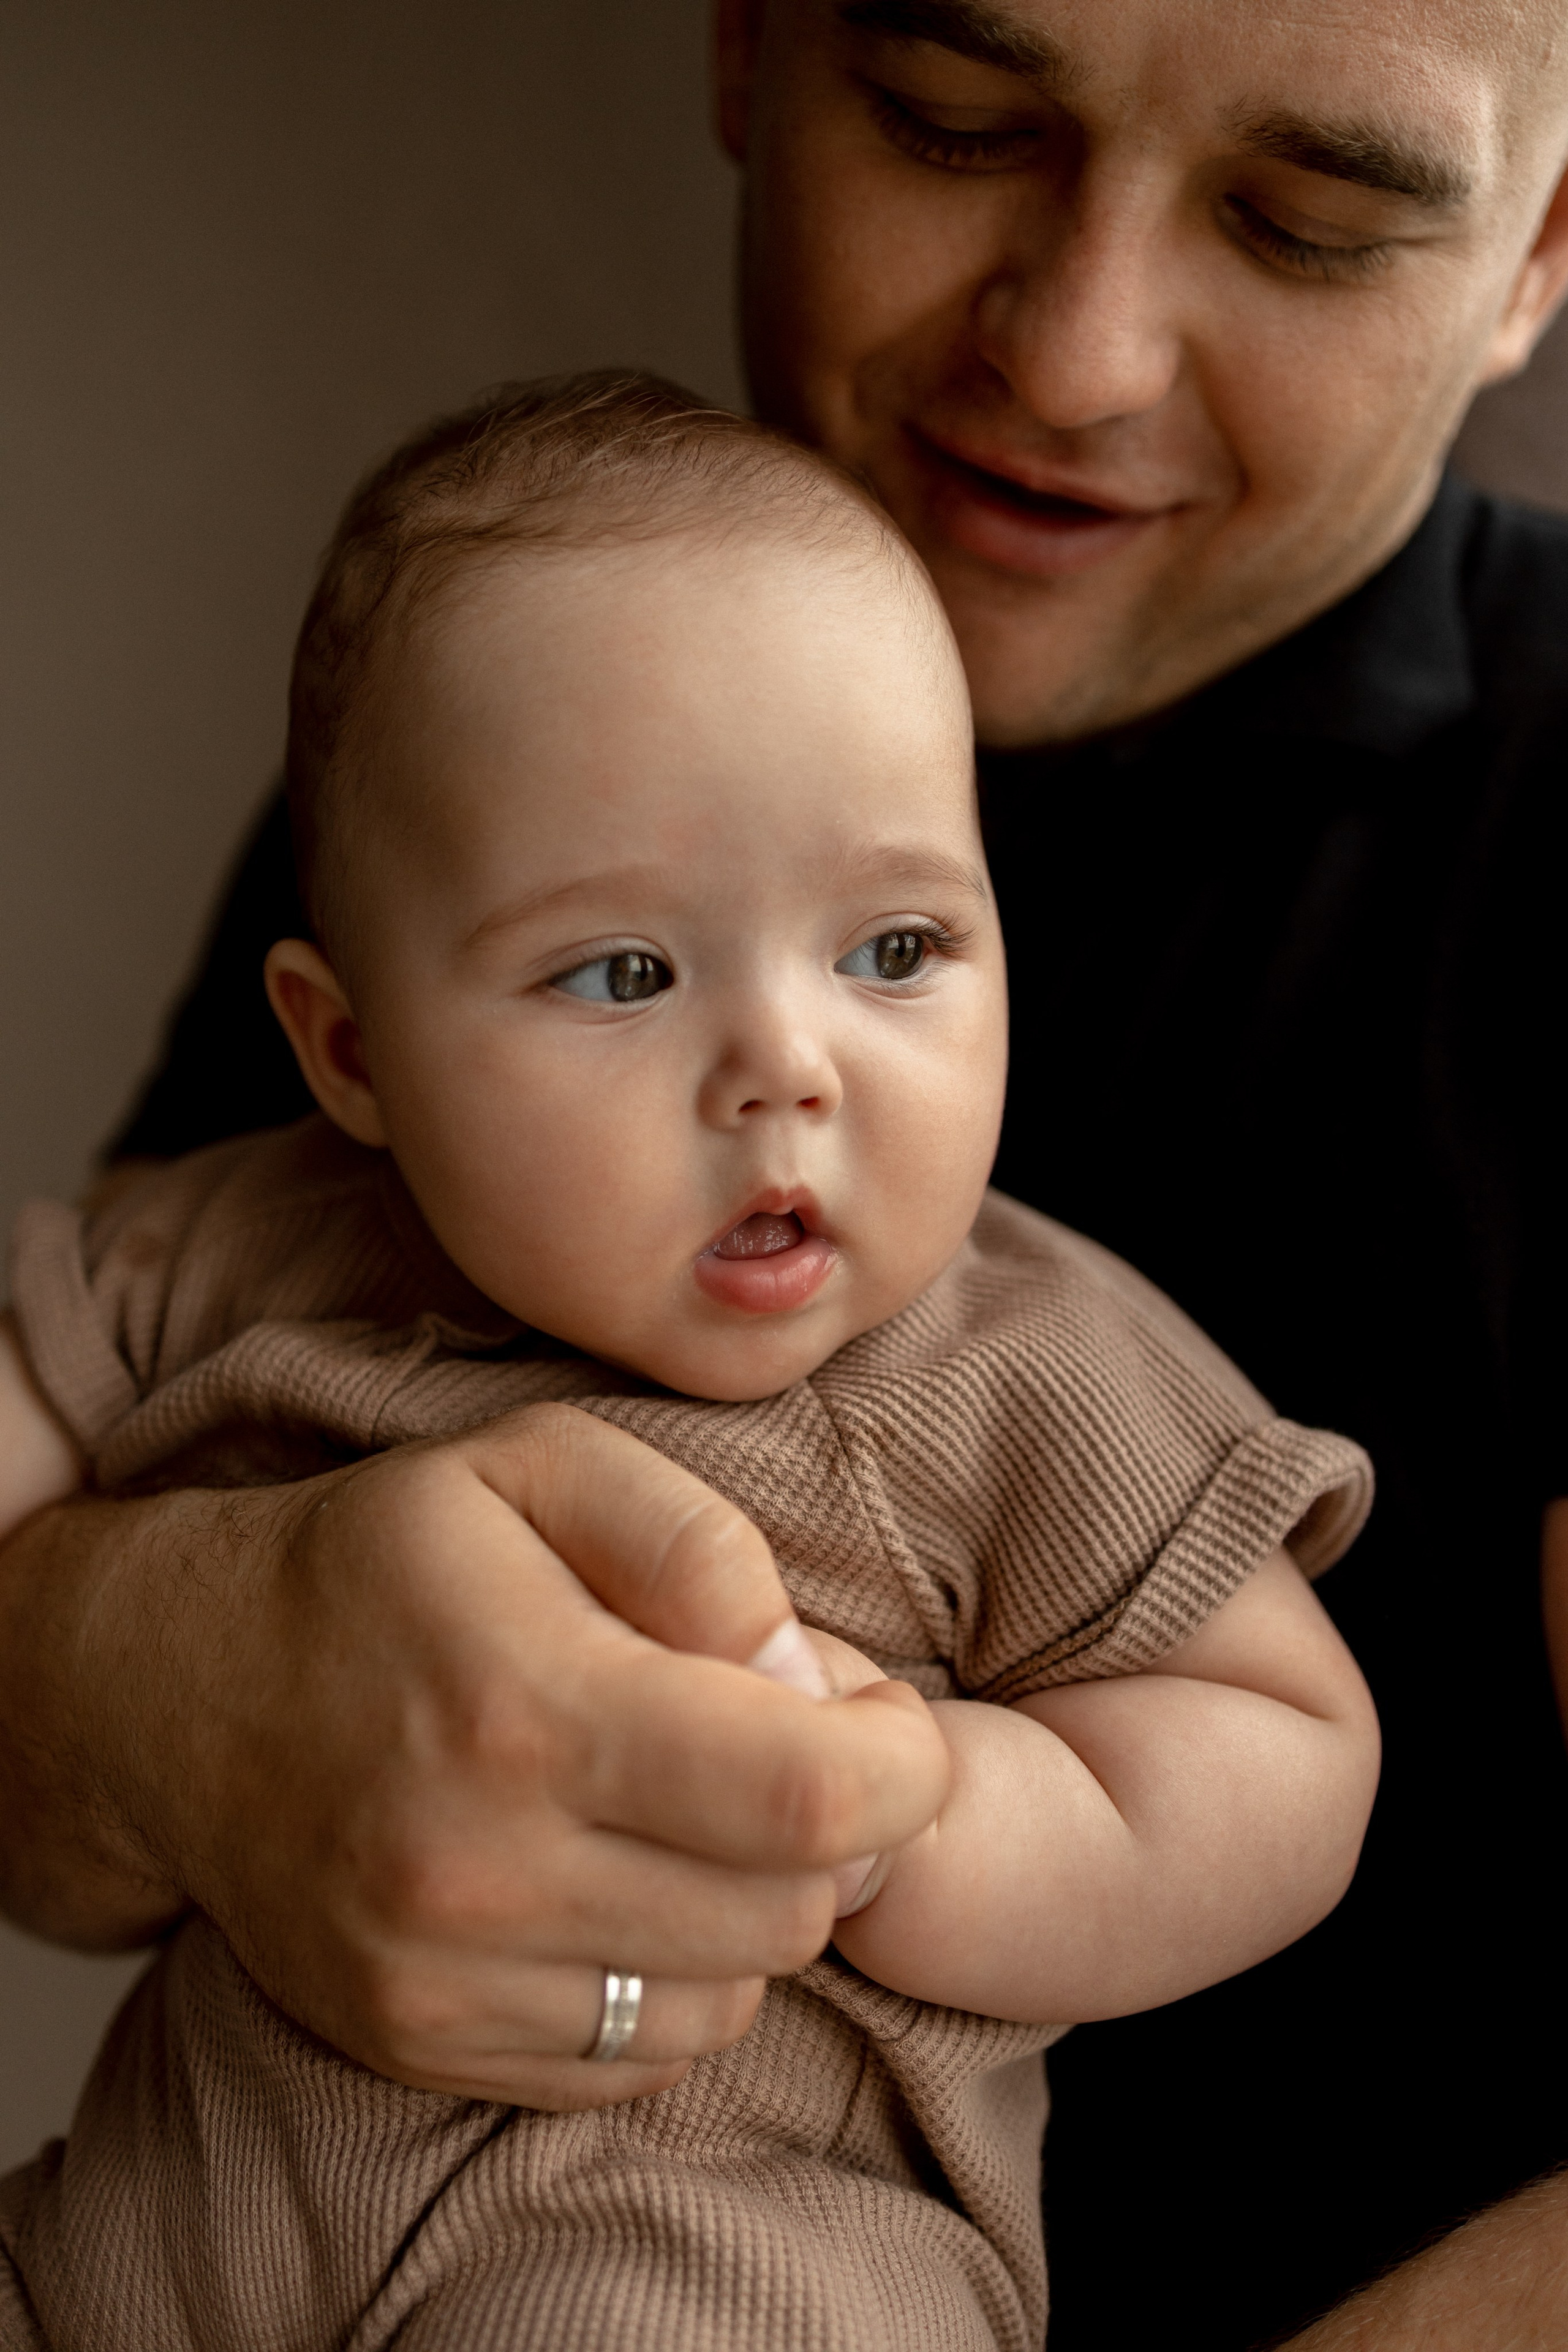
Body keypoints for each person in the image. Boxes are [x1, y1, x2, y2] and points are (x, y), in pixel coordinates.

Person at [2, 0, 1566, 2343]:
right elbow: (54, 1715)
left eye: (1305, 222)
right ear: (750, 45)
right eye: (953, 124)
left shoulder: (1040, 1357)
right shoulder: (495, 700)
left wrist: (916, 1817)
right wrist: (172, 1677)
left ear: (1542, 252)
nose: (1076, 353)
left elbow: (1268, 1744)